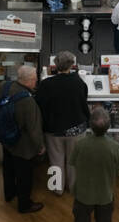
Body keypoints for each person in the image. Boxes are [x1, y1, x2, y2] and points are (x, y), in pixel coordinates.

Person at [68, 107, 119, 222]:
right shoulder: (115, 147)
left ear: (90, 125)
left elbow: (72, 162)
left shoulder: (80, 144)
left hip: (83, 194)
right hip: (105, 195)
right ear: (108, 127)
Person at [35, 51, 90, 195]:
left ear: (55, 65)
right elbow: (83, 104)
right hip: (76, 129)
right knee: (74, 161)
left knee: (56, 160)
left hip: (53, 130)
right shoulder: (79, 83)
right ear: (72, 65)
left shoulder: (46, 84)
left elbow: (39, 106)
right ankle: (73, 187)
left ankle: (57, 188)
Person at [1, 65, 45, 213]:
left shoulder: (5, 87)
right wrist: (40, 146)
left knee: (8, 168)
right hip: (23, 145)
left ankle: (9, 194)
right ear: (29, 81)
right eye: (35, 79)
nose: (36, 81)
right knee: (24, 175)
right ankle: (24, 204)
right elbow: (33, 129)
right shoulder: (28, 101)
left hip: (6, 139)